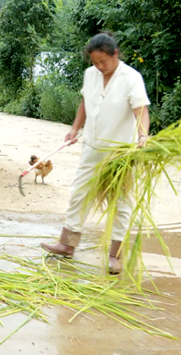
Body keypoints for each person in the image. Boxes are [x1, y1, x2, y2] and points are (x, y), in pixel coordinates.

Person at [40, 32, 151, 274]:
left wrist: (142, 135)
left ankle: (116, 255)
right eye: (95, 62)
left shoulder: (131, 77)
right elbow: (84, 103)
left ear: (115, 54)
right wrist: (74, 129)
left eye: (104, 62)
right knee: (79, 193)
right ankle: (66, 245)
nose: (100, 67)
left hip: (120, 153)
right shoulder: (90, 75)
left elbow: (141, 110)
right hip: (91, 146)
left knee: (120, 202)